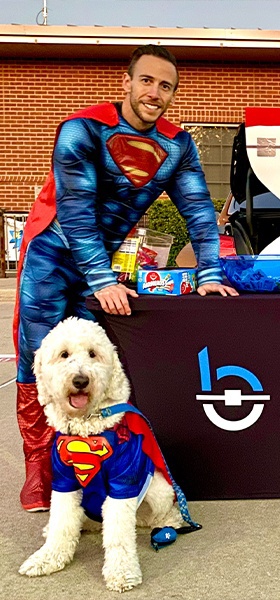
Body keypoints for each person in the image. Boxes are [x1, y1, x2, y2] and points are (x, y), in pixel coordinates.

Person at [15, 45, 238, 512]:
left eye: (165, 86)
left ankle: (93, 461)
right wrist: (101, 279)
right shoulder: (81, 130)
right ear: (126, 82)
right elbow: (75, 212)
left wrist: (211, 271)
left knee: (92, 370)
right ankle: (41, 467)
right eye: (146, 81)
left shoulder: (178, 144)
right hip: (51, 257)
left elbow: (198, 209)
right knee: (39, 359)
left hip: (102, 263)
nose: (154, 93)